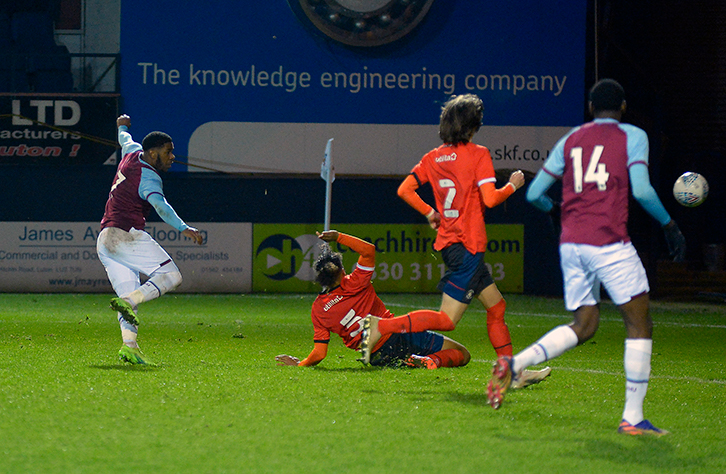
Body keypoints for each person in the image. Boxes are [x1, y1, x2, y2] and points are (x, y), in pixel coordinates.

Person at [486, 79, 686, 437]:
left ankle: (516, 364)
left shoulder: (571, 139)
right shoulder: (633, 135)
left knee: (586, 324)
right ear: (622, 107)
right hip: (608, 241)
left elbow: (534, 194)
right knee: (639, 323)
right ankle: (633, 417)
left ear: (591, 109)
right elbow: (641, 188)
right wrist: (669, 224)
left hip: (572, 243)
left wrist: (554, 210)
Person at [384, 93, 551, 389]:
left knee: (497, 307)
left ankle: (511, 374)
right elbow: (490, 198)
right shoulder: (477, 154)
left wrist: (430, 212)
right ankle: (383, 328)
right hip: (469, 247)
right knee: (447, 320)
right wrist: (512, 186)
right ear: (473, 126)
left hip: (451, 246)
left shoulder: (433, 157)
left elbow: (404, 190)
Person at [275, 230, 471, 369]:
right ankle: (431, 361)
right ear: (342, 270)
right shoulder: (355, 282)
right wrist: (338, 237)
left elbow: (320, 353)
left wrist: (300, 363)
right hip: (398, 335)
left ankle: (417, 360)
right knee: (462, 354)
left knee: (402, 363)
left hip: (375, 357)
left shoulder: (318, 309)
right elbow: (368, 250)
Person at [96, 114, 204, 365]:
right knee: (172, 276)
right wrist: (183, 227)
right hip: (125, 235)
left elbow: (125, 138)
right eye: (168, 152)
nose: (173, 157)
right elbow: (160, 205)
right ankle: (128, 301)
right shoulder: (150, 176)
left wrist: (122, 125)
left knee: (129, 293)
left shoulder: (132, 151)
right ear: (153, 153)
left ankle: (129, 347)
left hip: (104, 240)